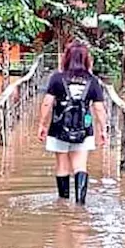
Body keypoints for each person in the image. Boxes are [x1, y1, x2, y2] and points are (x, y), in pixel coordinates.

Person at [37, 41, 107, 204]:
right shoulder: (93, 81)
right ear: (86, 60)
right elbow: (99, 109)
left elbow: (47, 103)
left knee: (62, 166)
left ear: (66, 58)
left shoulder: (57, 78)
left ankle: (62, 203)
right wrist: (103, 129)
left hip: (58, 128)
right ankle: (80, 204)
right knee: (80, 166)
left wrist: (42, 124)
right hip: (84, 129)